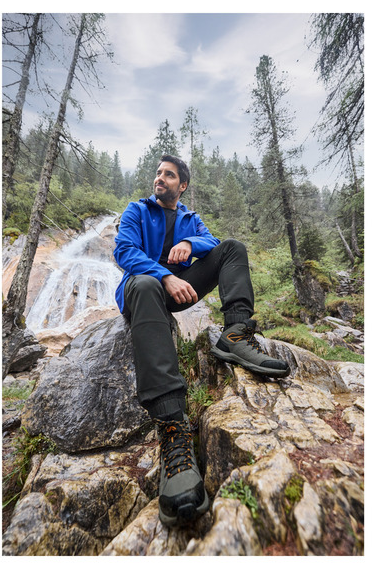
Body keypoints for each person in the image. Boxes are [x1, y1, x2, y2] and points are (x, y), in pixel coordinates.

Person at [113, 154, 290, 528]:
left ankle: (235, 333)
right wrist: (165, 275)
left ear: (183, 185)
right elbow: (125, 252)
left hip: (182, 286)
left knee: (233, 247)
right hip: (143, 290)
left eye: (169, 175)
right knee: (144, 282)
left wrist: (191, 245)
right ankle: (173, 428)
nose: (160, 179)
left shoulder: (190, 218)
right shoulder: (136, 210)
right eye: (158, 173)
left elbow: (211, 240)